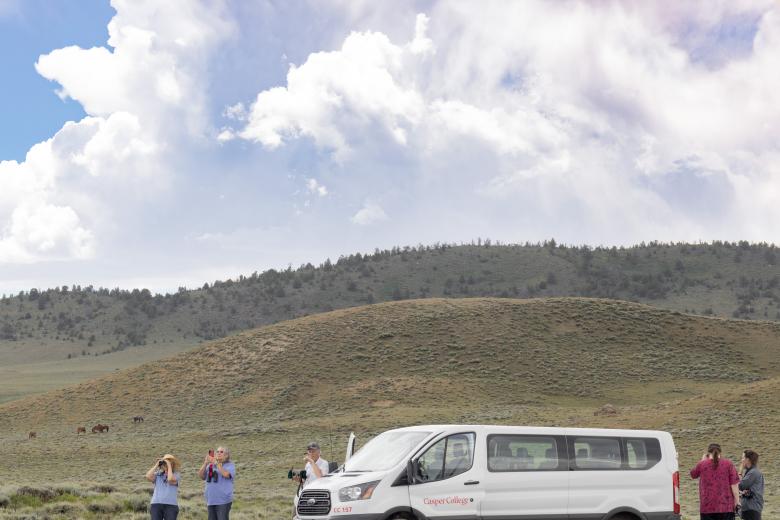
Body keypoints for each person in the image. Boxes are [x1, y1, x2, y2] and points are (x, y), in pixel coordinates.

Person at [690, 443, 740, 520]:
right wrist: (737, 501)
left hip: (707, 506)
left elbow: (693, 474)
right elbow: (734, 485)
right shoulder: (728, 464)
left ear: (708, 453)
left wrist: (702, 460)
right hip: (726, 506)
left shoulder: (702, 464)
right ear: (720, 452)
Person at [198, 446, 236, 520]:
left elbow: (226, 474)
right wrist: (205, 463)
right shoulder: (210, 465)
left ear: (226, 455)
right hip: (211, 500)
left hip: (223, 501)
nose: (219, 453)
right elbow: (201, 476)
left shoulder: (230, 465)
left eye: (221, 452)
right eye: (217, 451)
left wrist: (217, 463)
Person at [145, 454, 181, 520]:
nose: (166, 464)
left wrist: (169, 465)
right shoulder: (158, 474)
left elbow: (170, 479)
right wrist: (156, 465)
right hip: (156, 503)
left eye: (169, 461)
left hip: (171, 505)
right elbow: (147, 476)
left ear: (173, 464)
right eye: (165, 462)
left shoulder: (176, 474)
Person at [739, 450, 764, 520]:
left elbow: (740, 485)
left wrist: (740, 471)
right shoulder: (752, 472)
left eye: (743, 458)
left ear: (747, 459)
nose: (741, 460)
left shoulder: (753, 473)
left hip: (751, 508)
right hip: (750, 508)